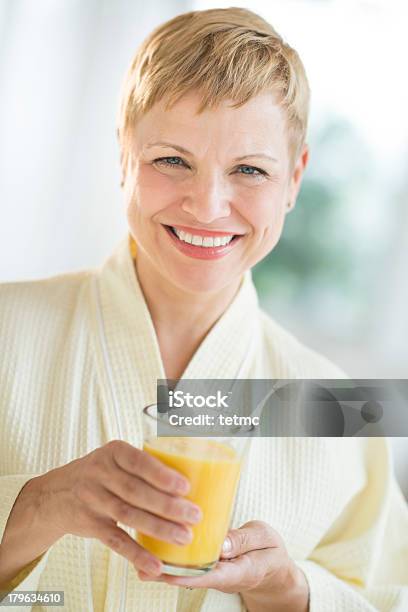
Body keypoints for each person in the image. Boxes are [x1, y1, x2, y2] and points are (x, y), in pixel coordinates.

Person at [0, 7, 407, 612]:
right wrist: (36, 507)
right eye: (171, 160)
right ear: (122, 154)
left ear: (294, 178)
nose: (208, 206)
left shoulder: (344, 406)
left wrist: (290, 591)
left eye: (249, 170)